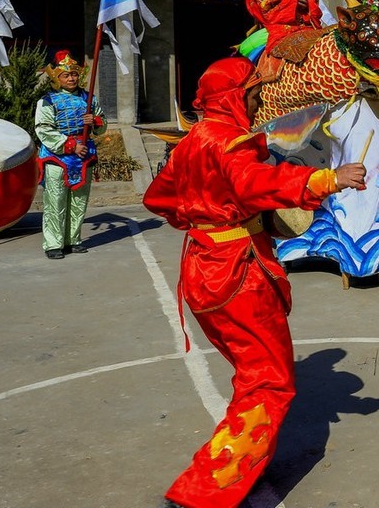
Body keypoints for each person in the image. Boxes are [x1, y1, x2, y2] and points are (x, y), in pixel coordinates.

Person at [143, 56, 367, 508]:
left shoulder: (192, 141)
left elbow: (157, 198)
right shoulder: (229, 141)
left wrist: (205, 214)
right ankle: (206, 491)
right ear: (234, 96)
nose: (258, 95)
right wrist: (326, 178)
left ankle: (231, 471)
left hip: (202, 264)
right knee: (268, 381)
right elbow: (254, 182)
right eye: (251, 89)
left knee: (253, 372)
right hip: (237, 272)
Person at [34, 50, 106, 260]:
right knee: (55, 202)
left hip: (83, 156)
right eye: (66, 75)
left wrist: (95, 122)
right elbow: (43, 128)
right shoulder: (48, 100)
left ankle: (73, 239)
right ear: (57, 77)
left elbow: (101, 125)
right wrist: (70, 145)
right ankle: (54, 244)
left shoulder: (88, 98)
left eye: (74, 74)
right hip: (58, 156)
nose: (71, 78)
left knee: (79, 201)